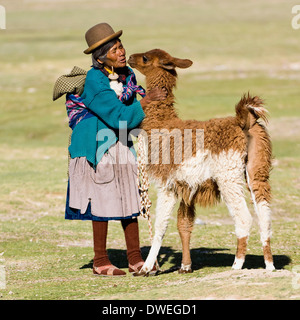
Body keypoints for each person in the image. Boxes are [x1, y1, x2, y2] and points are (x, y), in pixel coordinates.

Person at [60, 23, 166, 276]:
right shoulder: (95, 80)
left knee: (130, 196)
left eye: (121, 47)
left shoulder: (126, 74)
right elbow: (120, 117)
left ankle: (135, 259)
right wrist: (147, 101)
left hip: (119, 141)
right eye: (115, 49)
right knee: (102, 200)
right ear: (100, 57)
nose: (121, 52)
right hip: (98, 144)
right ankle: (100, 261)